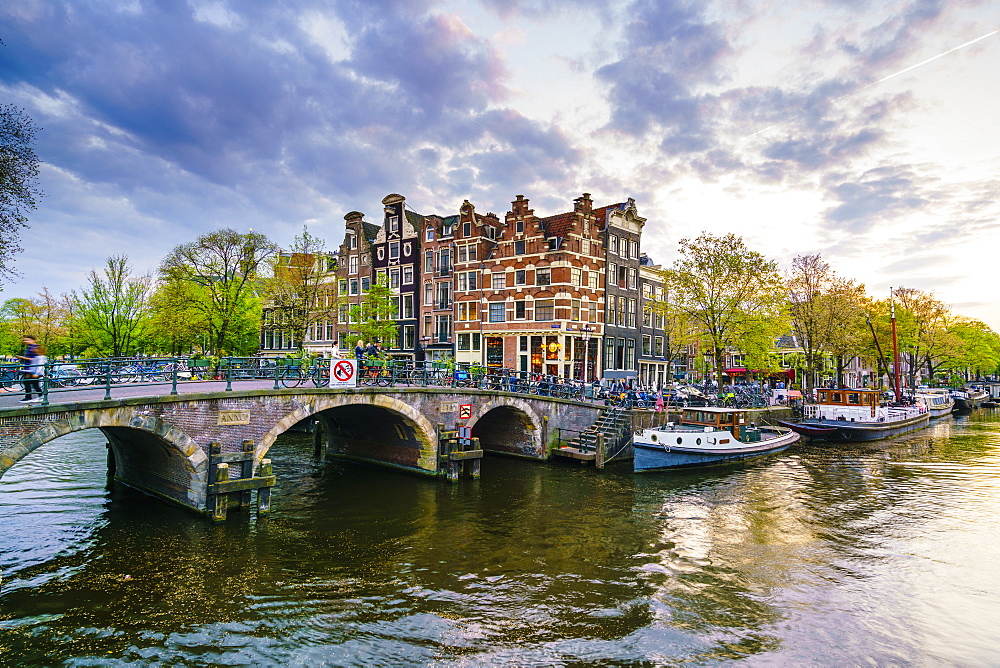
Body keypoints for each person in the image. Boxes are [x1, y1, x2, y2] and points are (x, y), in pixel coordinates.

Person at [16, 335, 46, 403]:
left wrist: (22, 358)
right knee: (31, 382)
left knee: (30, 382)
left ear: (33, 340)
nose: (25, 341)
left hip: (32, 368)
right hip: (30, 368)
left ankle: (30, 397)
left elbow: (37, 360)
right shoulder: (30, 347)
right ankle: (37, 396)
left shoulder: (35, 348)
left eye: (27, 340)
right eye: (24, 340)